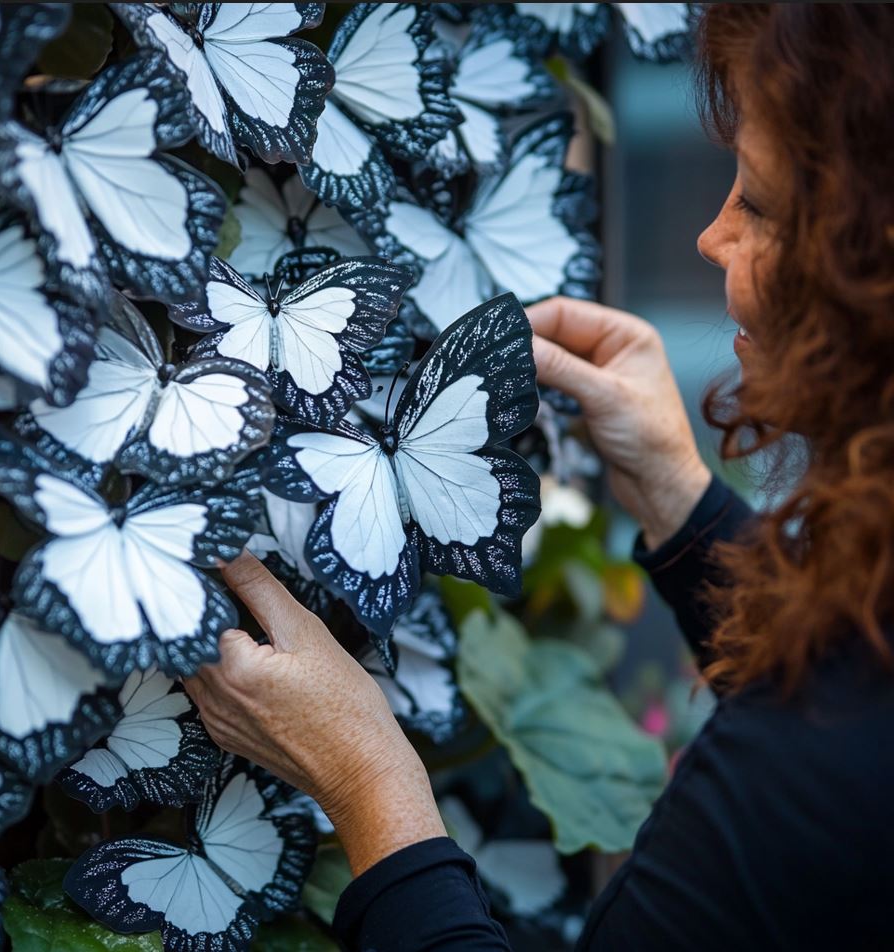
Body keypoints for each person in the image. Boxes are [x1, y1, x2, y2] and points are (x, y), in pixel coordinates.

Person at [183, 5, 894, 949]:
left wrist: (369, 779)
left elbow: (824, 744)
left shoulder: (818, 759)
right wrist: (680, 501)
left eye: (758, 205)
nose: (710, 238)